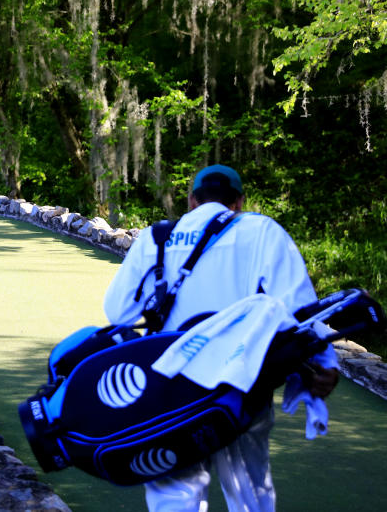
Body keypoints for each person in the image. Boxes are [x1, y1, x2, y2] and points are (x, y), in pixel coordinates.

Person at [102, 164, 339, 512]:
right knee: (250, 494)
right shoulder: (261, 231)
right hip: (241, 384)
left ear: (192, 201)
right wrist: (324, 363)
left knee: (175, 493)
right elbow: (299, 307)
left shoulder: (157, 238)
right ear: (239, 202)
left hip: (171, 389)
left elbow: (118, 311)